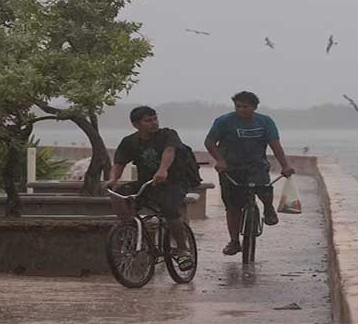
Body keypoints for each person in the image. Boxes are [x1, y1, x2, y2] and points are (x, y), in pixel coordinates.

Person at [103, 106, 196, 268]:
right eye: (148, 120)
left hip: (174, 182)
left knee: (170, 211)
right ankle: (131, 229)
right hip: (146, 183)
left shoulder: (168, 134)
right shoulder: (129, 141)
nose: (154, 123)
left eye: (155, 118)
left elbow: (169, 151)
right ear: (136, 124)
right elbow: (119, 163)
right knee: (118, 194)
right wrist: (113, 179)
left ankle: (182, 249)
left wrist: (162, 170)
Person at [205, 91, 295, 256]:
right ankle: (234, 241)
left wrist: (285, 165)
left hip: (256, 166)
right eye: (238, 106)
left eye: (245, 107)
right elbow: (209, 142)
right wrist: (220, 160)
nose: (241, 109)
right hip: (231, 168)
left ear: (254, 107)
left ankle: (268, 209)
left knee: (265, 189)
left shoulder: (265, 122)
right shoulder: (223, 122)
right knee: (232, 207)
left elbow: (276, 146)